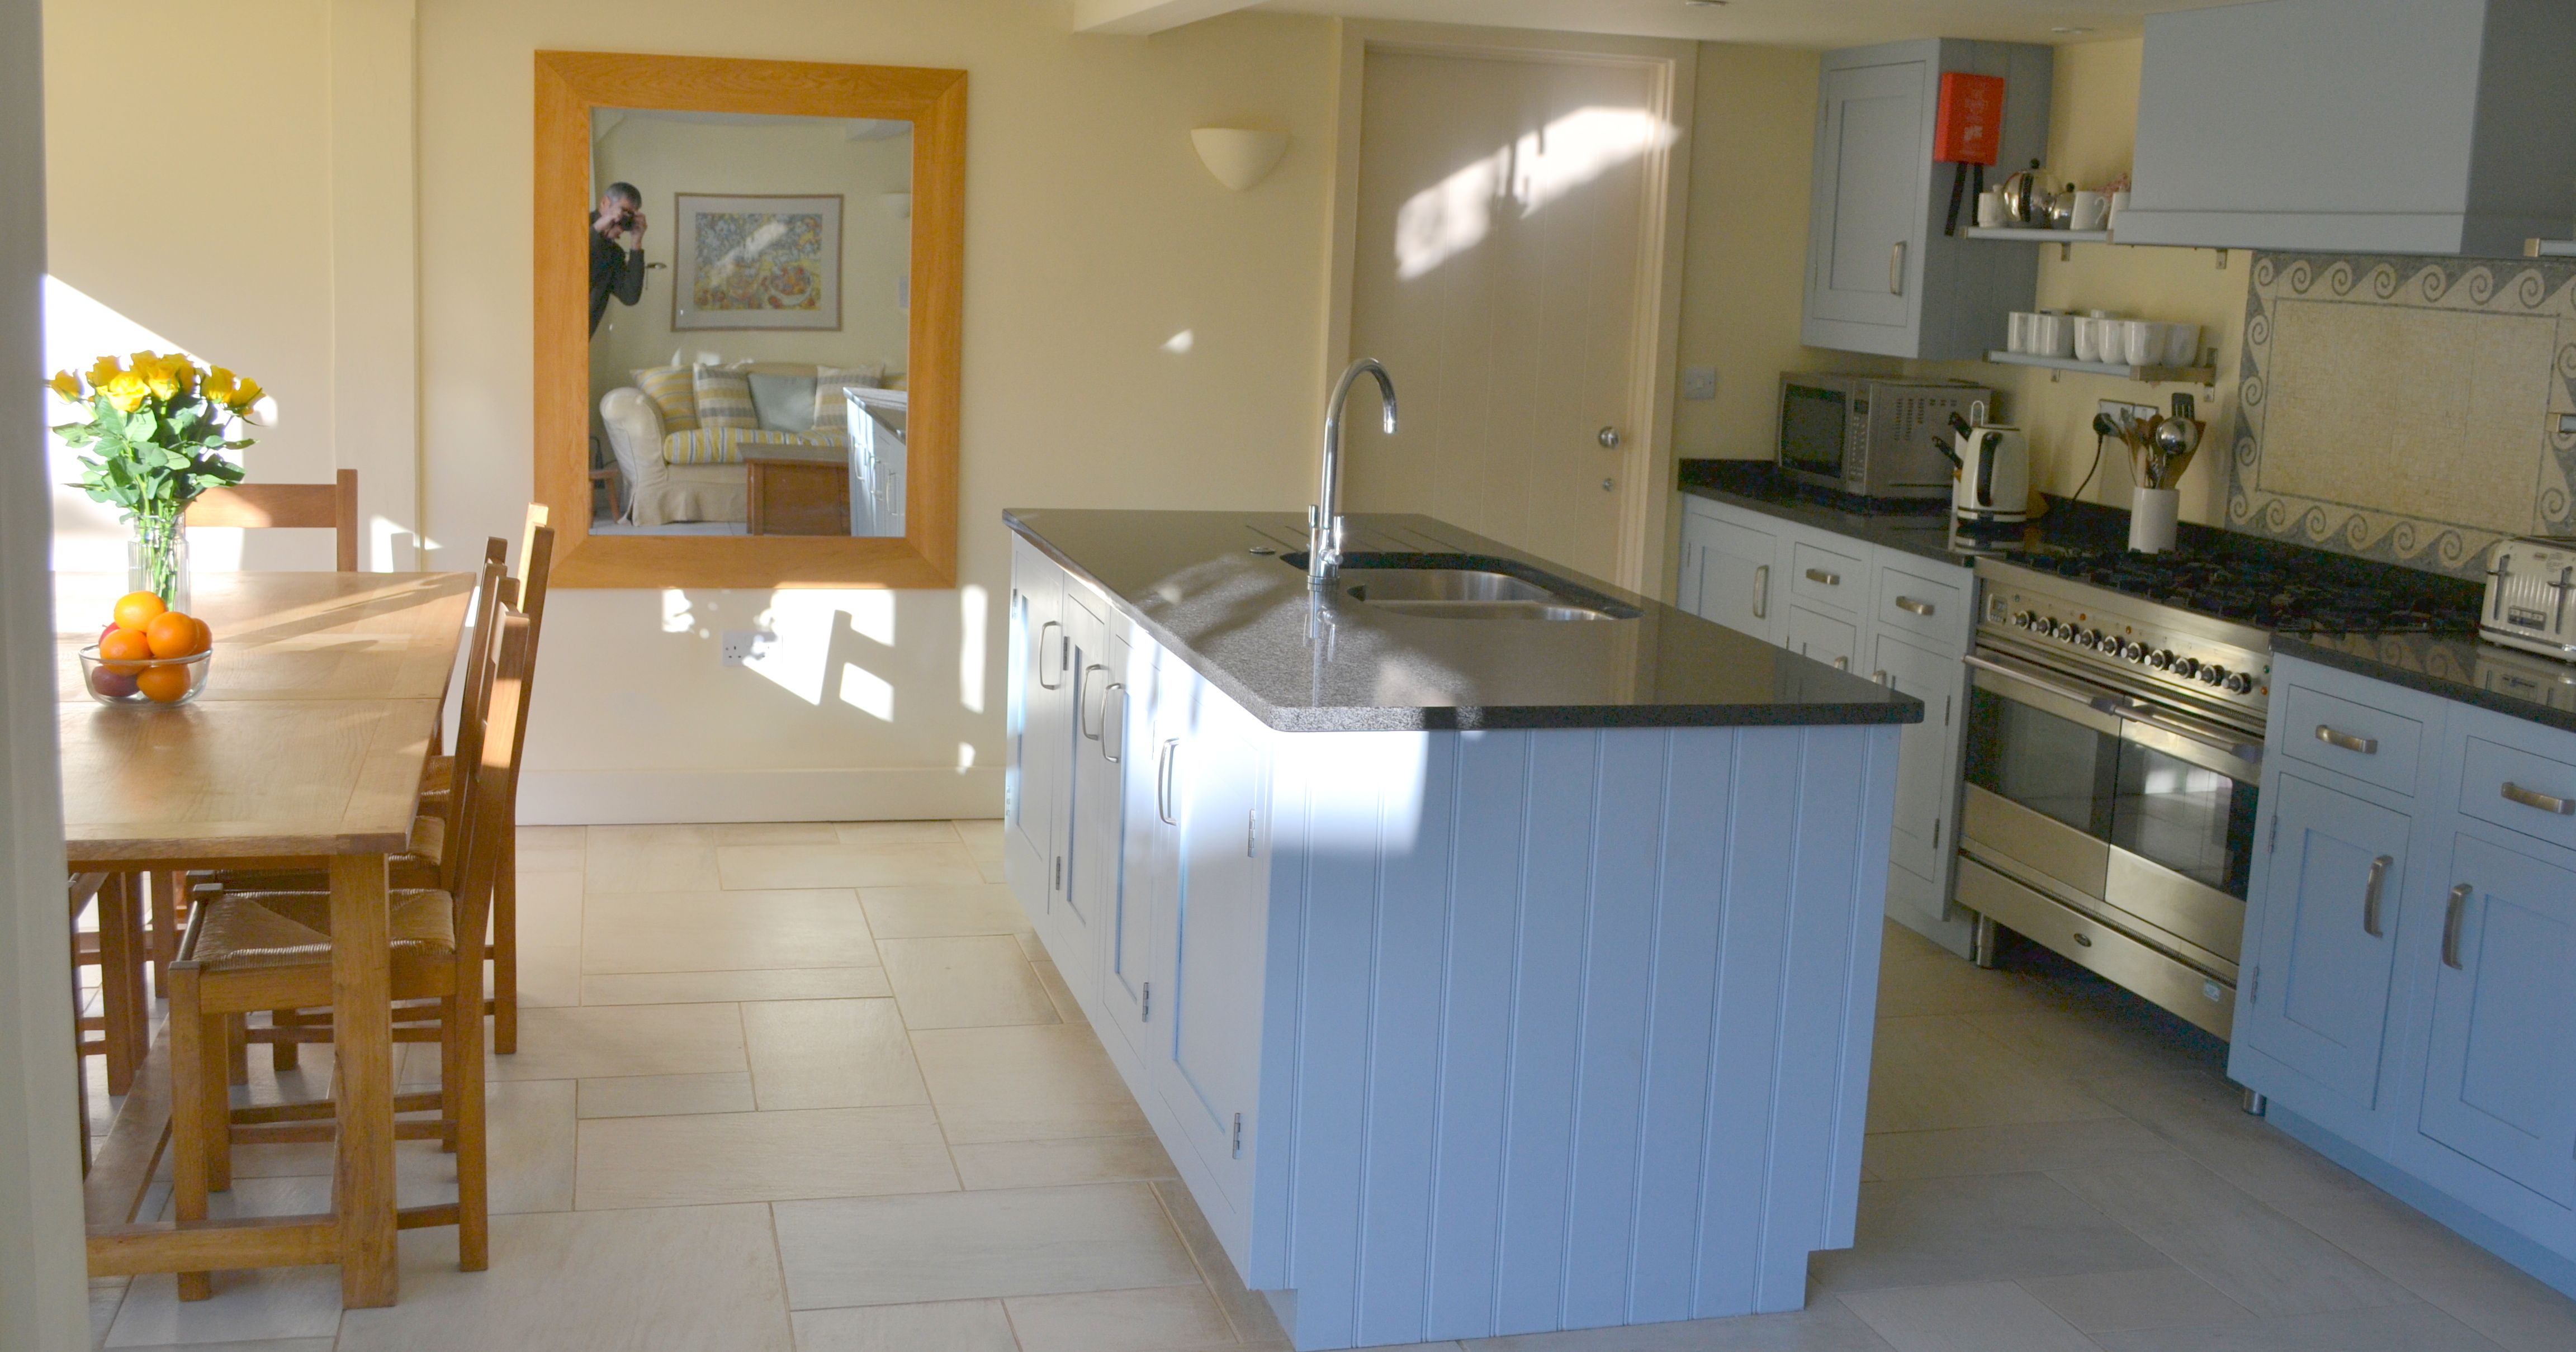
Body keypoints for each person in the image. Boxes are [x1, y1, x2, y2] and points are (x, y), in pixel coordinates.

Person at [590, 182, 648, 335]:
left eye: (629, 216)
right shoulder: (571, 226)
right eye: (622, 212)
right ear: (604, 203)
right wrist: (599, 228)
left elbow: (630, 296)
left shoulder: (613, 254)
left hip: (579, 342)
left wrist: (636, 243)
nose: (622, 223)